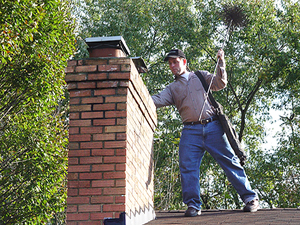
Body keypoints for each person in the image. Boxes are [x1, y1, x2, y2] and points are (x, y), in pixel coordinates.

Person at [151, 49, 259, 217]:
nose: (172, 66)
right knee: (187, 166)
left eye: (175, 62)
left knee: (229, 161)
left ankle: (250, 199)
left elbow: (220, 83)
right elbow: (156, 100)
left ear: (184, 62)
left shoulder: (200, 76)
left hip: (213, 127)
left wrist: (221, 61)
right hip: (190, 131)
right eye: (170, 63)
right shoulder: (172, 88)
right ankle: (193, 205)